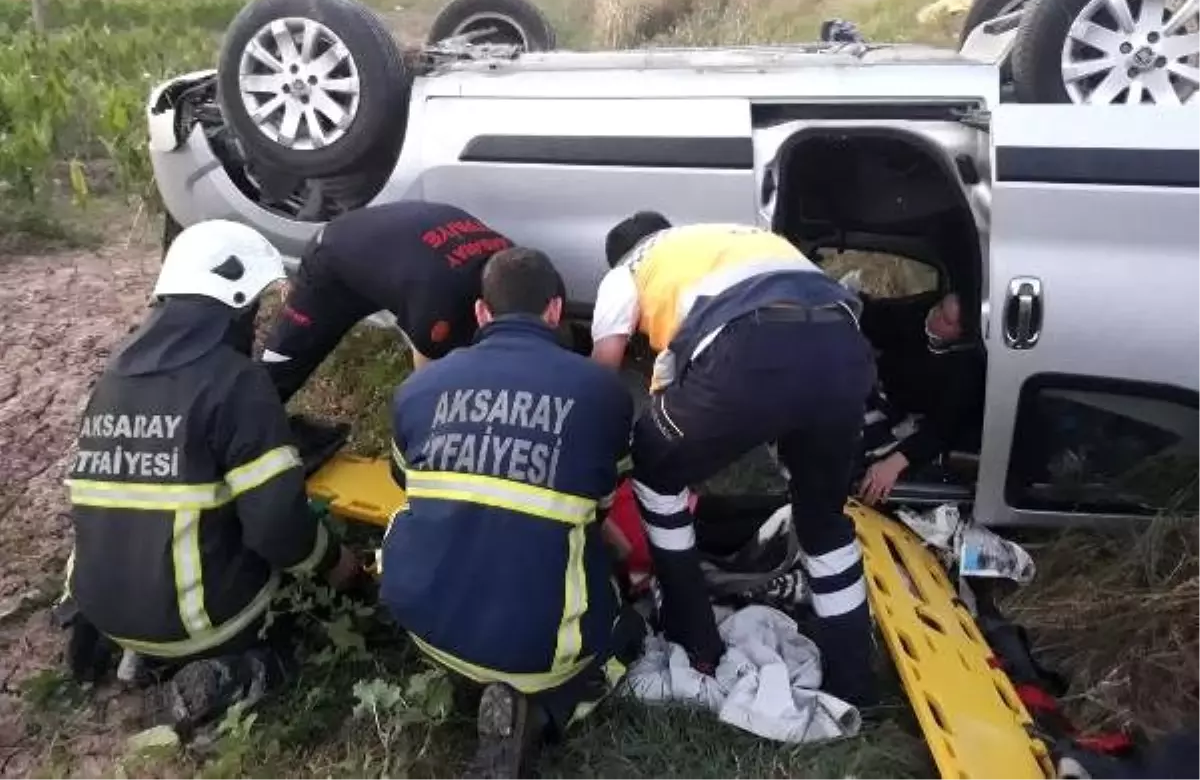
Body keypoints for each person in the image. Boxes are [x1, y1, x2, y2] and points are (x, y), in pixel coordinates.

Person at [58, 220, 363, 734]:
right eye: (254, 310)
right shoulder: (237, 383)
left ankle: (139, 651)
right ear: (236, 303)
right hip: (203, 621)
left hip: (99, 603)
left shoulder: (113, 376)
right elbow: (278, 532)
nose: (256, 322)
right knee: (298, 633)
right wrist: (340, 566)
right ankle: (231, 672)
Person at [589, 212, 878, 708]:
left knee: (655, 470)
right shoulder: (732, 241)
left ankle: (694, 638)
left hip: (753, 346)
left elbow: (598, 379)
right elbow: (673, 390)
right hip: (844, 348)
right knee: (823, 520)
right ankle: (855, 686)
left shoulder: (628, 269)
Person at [379, 247, 642, 779]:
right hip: (538, 655)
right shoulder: (600, 392)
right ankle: (542, 716)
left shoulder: (417, 388)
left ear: (480, 312)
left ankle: (464, 683)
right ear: (554, 310)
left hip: (423, 625)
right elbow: (598, 511)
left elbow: (405, 482)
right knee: (629, 631)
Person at [260, 201, 514, 403]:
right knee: (283, 362)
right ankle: (236, 430)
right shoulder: (440, 304)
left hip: (404, 248)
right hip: (334, 257)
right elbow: (428, 379)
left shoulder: (526, 272)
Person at [856, 290, 986, 505]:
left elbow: (943, 427)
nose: (934, 316)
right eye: (938, 308)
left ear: (961, 333)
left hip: (915, 423)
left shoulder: (966, 371)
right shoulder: (915, 313)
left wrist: (896, 462)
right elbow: (873, 317)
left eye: (945, 320)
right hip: (880, 395)